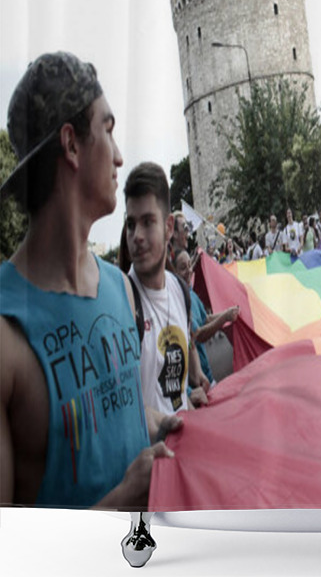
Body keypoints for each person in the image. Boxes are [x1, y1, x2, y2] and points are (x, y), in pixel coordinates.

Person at [0, 52, 176, 509]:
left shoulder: (122, 291)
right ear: (72, 145)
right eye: (108, 129)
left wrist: (171, 424)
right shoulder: (5, 334)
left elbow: (116, 416)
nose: (119, 155)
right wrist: (121, 501)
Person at [125, 162, 209, 416]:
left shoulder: (181, 292)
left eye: (148, 222)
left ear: (168, 227)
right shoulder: (122, 301)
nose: (137, 235)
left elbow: (194, 375)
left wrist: (196, 391)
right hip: (152, 454)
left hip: (185, 449)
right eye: (130, 224)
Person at [173, 249, 239, 387]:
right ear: (174, 273)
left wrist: (227, 313)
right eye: (183, 268)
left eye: (189, 265)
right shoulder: (178, 301)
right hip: (198, 382)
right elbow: (198, 335)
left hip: (206, 375)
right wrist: (224, 317)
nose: (189, 270)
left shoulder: (191, 293)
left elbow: (206, 319)